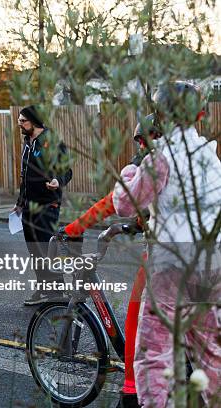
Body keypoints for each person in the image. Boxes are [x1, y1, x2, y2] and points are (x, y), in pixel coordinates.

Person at [112, 82, 220, 407]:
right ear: (199, 115)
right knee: (211, 354)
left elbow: (126, 204)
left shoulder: (161, 159)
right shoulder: (210, 158)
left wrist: (130, 171)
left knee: (155, 357)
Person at [59, 115, 161, 408]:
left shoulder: (155, 163)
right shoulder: (198, 160)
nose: (140, 147)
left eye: (141, 141)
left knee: (135, 317)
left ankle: (130, 391)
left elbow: (115, 202)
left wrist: (73, 228)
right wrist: (142, 224)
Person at [13, 105, 73, 305]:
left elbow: (67, 171)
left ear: (34, 121)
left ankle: (57, 292)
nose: (19, 124)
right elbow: (25, 176)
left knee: (47, 249)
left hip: (47, 205)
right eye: (19, 120)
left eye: (23, 121)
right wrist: (20, 202)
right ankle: (43, 288)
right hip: (28, 207)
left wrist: (58, 181)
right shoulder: (27, 142)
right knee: (34, 250)